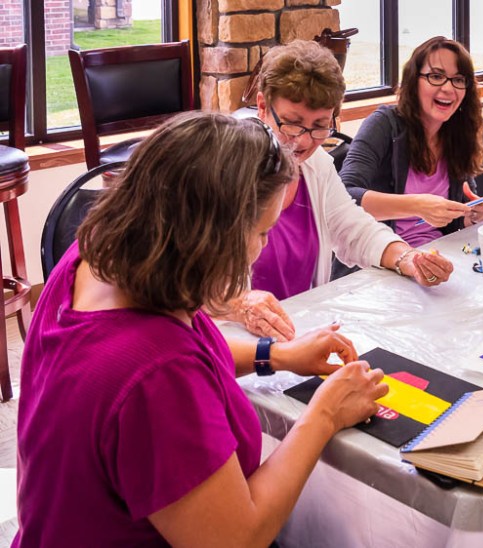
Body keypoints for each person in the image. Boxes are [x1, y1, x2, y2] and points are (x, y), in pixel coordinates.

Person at [15, 112, 389, 546]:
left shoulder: (94, 258)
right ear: (212, 237)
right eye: (262, 232)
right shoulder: (157, 375)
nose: (263, 247)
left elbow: (181, 355)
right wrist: (324, 414)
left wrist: (274, 354)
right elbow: (237, 538)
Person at [224, 40, 457, 341]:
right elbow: (176, 279)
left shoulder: (316, 165)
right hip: (234, 347)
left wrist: (407, 259)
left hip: (297, 338)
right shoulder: (225, 171)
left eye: (320, 126)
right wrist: (238, 304)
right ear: (262, 107)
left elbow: (353, 228)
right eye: (293, 124)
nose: (304, 142)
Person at [340, 36, 483, 247]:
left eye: (458, 80)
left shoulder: (459, 132)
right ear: (413, 81)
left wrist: (473, 215)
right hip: (380, 257)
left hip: (436, 253)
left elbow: (456, 215)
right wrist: (417, 205)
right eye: (436, 76)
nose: (448, 89)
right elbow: (344, 195)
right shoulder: (383, 125)